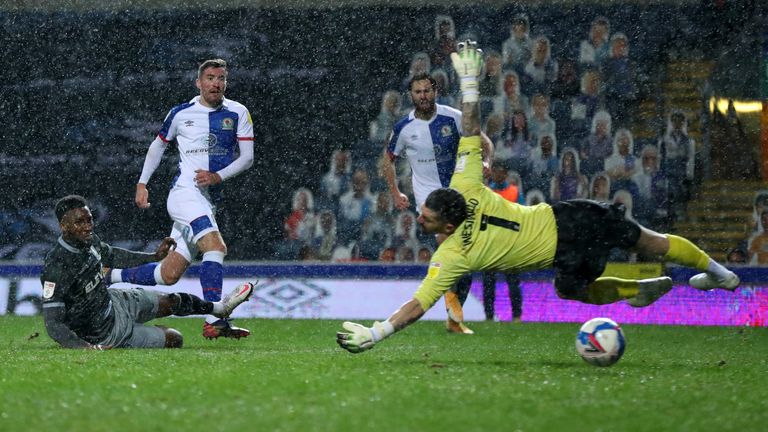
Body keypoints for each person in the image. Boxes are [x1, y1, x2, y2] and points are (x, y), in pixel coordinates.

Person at [337, 41, 740, 354]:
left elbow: (416, 306)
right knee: (644, 245)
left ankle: (649, 288)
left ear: (445, 225)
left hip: (560, 249)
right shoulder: (466, 185)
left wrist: (377, 333)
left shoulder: (452, 255)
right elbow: (473, 127)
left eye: (425, 217)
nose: (418, 219)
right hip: (570, 218)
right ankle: (712, 275)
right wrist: (472, 82)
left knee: (582, 284)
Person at [109, 59, 255, 340]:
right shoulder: (180, 113)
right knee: (215, 247)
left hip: (208, 200)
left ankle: (109, 276)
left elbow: (247, 158)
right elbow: (157, 146)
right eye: (210, 78)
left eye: (221, 78)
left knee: (168, 274)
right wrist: (142, 183)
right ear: (198, 83)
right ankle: (216, 319)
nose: (216, 83)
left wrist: (217, 177)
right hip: (184, 195)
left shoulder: (238, 112)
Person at [41, 195, 255, 349]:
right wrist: (83, 347)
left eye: (89, 220)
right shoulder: (57, 266)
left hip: (116, 302)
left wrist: (154, 257)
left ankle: (220, 309)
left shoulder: (89, 241)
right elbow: (53, 325)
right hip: (105, 333)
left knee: (173, 300)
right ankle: (143, 331)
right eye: (80, 222)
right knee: (175, 339)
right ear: (63, 226)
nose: (88, 227)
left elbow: (114, 256)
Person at [381, 71, 492, 334]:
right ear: (411, 95)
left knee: (464, 259)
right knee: (449, 246)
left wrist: (487, 162)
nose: (423, 96)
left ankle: (454, 313)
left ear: (435, 92)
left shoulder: (452, 117)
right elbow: (388, 160)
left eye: (427, 91)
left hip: (460, 194)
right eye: (418, 92)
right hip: (429, 200)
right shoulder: (403, 129)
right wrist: (396, 193)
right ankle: (451, 314)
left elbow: (485, 142)